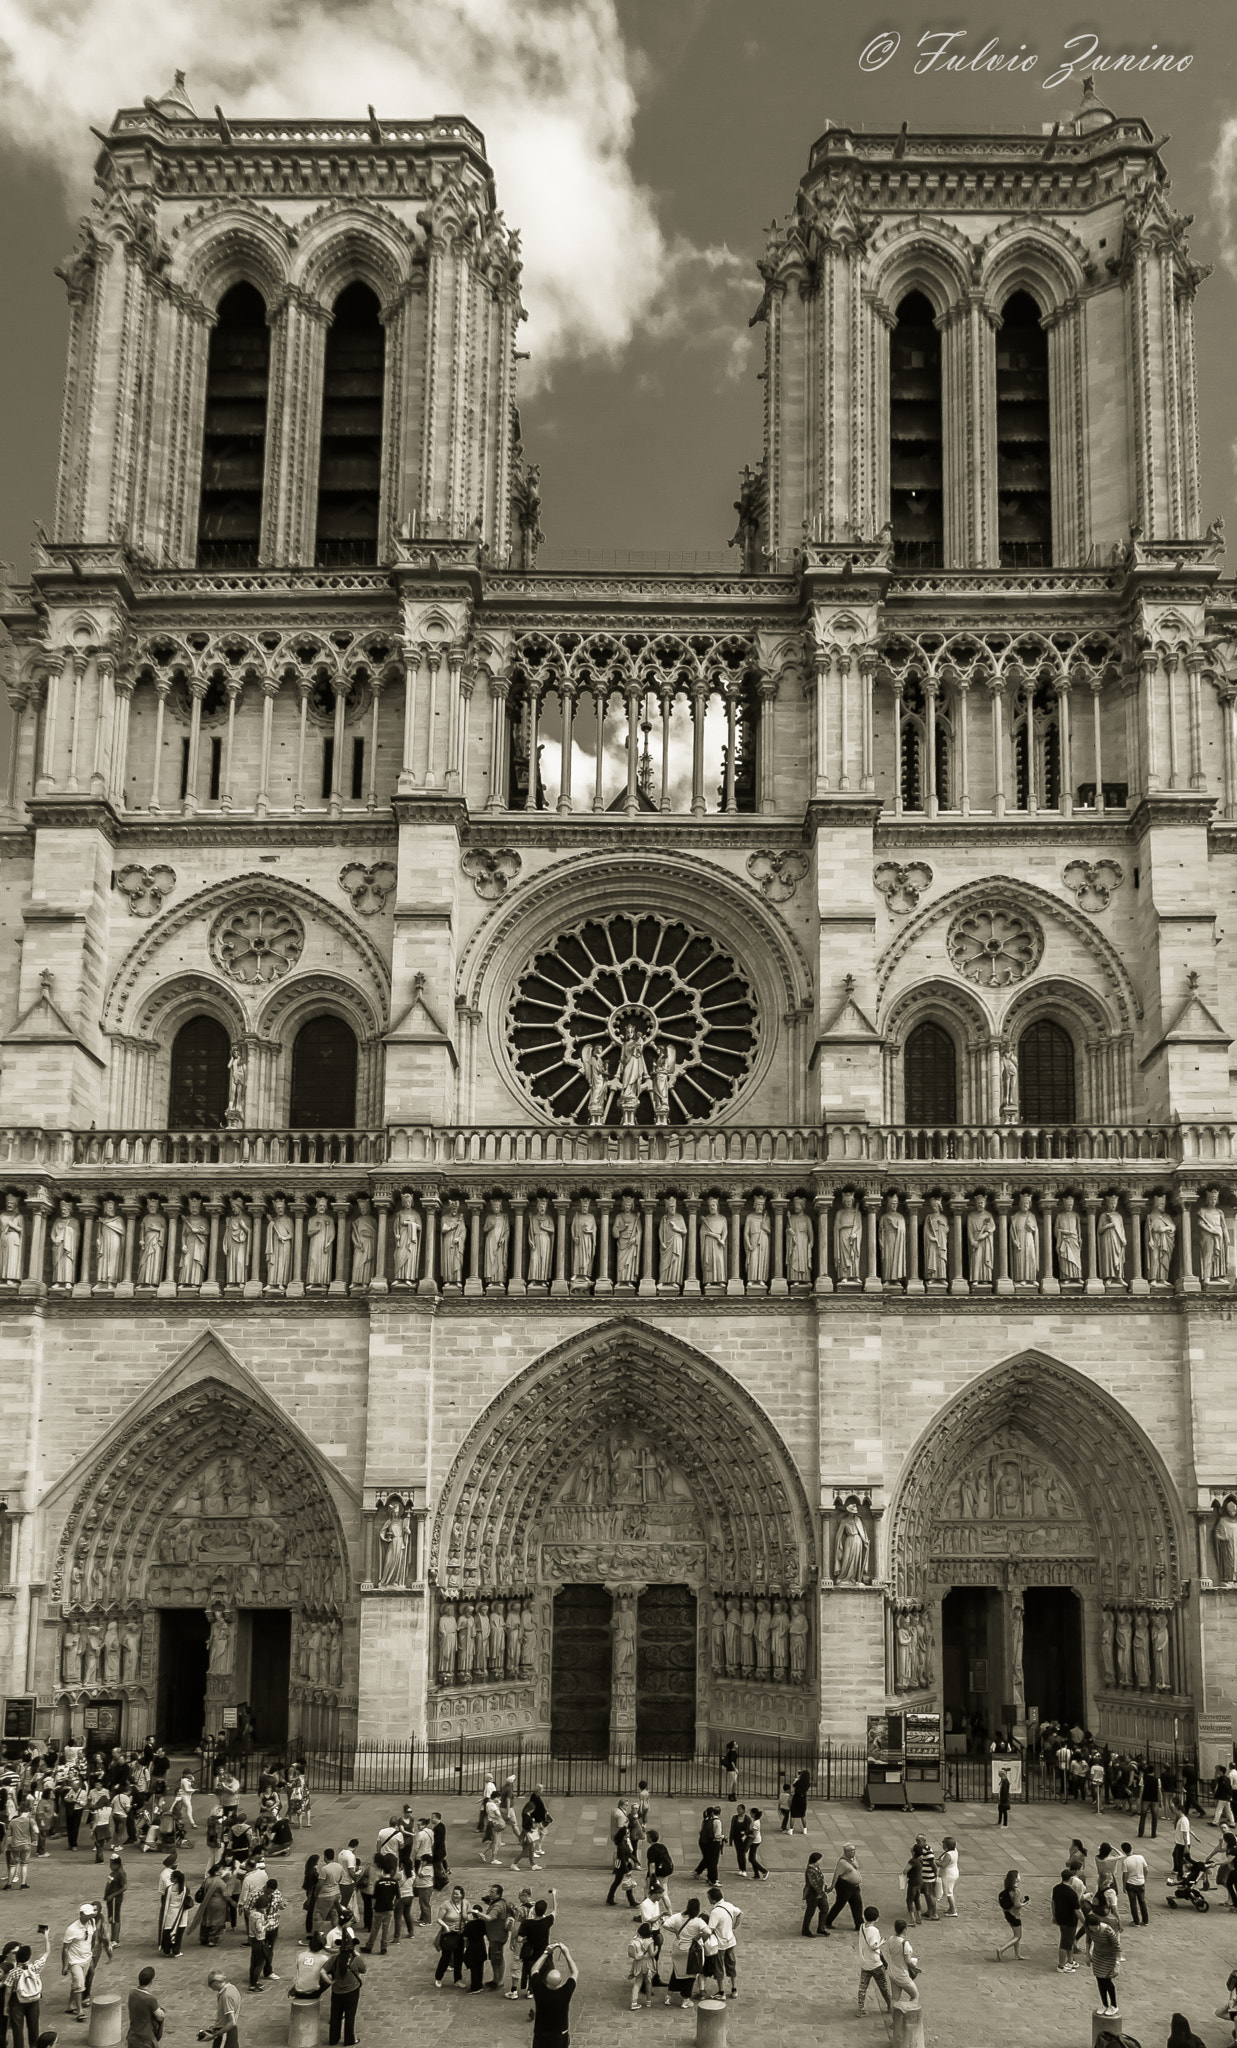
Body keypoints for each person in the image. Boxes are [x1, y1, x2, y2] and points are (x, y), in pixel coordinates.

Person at [528, 1942, 577, 2047]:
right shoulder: (565, 1992)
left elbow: (534, 1970)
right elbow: (575, 1972)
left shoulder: (540, 1990)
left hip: (541, 2036)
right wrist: (566, 1952)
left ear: (546, 1981)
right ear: (561, 1982)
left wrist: (547, 1952)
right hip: (559, 2036)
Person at [511, 1891, 555, 2001]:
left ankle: (514, 1990)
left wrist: (522, 1939)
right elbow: (555, 1911)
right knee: (539, 1972)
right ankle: (531, 1990)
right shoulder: (547, 1921)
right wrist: (554, 1895)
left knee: (523, 1968)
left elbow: (520, 1938)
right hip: (542, 1953)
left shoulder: (527, 1923)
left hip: (529, 1952)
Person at [323, 1934, 365, 2047]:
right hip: (352, 1991)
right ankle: (349, 2039)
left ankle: (333, 2039)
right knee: (350, 2016)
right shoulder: (356, 1960)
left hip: (337, 1991)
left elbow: (323, 1971)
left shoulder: (334, 1958)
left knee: (335, 2015)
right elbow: (363, 1970)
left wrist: (330, 1981)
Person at [11, 1937, 50, 2048]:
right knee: (34, 2028)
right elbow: (47, 1953)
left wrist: (5, 2006)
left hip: (18, 2000)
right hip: (33, 2000)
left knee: (17, 2030)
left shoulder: (14, 1971)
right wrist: (46, 1936)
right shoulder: (34, 1968)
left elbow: (9, 1990)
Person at [61, 1911, 96, 2023]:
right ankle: (80, 2012)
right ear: (81, 1914)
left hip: (86, 1958)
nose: (89, 1917)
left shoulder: (92, 1922)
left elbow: (92, 1936)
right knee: (80, 1984)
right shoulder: (72, 1929)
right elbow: (65, 1948)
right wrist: (65, 1965)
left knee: (77, 1983)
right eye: (87, 1915)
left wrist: (91, 1952)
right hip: (75, 1960)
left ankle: (71, 2005)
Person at [705, 1885, 740, 1998]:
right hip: (731, 1941)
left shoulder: (715, 1912)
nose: (708, 1899)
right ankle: (734, 1989)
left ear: (713, 1899)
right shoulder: (728, 1905)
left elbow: (709, 1930)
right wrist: (735, 1928)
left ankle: (721, 1992)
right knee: (731, 1965)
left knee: (719, 1968)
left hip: (720, 1945)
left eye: (709, 1897)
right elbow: (739, 1914)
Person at [856, 1905, 890, 2017]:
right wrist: (882, 1942)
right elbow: (874, 1946)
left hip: (865, 1962)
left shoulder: (862, 1927)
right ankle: (890, 2005)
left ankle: (860, 2008)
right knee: (883, 1986)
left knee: (863, 1986)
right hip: (875, 1963)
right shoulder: (874, 1930)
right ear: (877, 1918)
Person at [1087, 1910, 1121, 2014]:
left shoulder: (1107, 1930)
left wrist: (1117, 1963)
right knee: (1100, 1981)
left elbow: (1117, 1946)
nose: (1094, 1930)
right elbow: (1088, 1940)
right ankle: (1105, 2004)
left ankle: (1114, 2005)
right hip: (1098, 1956)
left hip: (1109, 1957)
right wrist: (1088, 1954)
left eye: (1096, 1927)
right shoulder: (1089, 1930)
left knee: (1107, 1981)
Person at [433, 1885, 467, 1987]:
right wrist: (446, 1926)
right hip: (449, 1934)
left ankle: (458, 1979)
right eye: (453, 1893)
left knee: (459, 1958)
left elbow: (466, 1917)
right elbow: (439, 1919)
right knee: (446, 1957)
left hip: (460, 1933)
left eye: (457, 1894)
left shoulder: (465, 1903)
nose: (455, 1896)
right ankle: (438, 1977)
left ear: (462, 1895)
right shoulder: (446, 1905)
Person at [824, 1845, 863, 1930]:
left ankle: (859, 1924)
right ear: (846, 1852)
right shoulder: (842, 1862)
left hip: (854, 1886)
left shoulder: (853, 1859)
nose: (854, 1852)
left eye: (854, 1849)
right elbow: (836, 1874)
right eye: (851, 1850)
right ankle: (827, 1921)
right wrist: (832, 1886)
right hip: (845, 1886)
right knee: (840, 1904)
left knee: (857, 1904)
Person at [1051, 1867, 1080, 1972]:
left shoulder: (1056, 1888)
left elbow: (1053, 1902)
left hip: (1060, 1918)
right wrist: (1086, 1921)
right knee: (1065, 1943)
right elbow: (1077, 1910)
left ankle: (1070, 1960)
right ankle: (1061, 1965)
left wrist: (1054, 1916)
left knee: (1069, 1940)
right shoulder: (1072, 1893)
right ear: (1071, 1879)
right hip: (1069, 1920)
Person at [125, 1966, 162, 2048]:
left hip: (133, 2035)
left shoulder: (132, 1994)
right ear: (151, 1981)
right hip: (145, 2039)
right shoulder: (150, 1999)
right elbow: (159, 2017)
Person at [204, 1970, 240, 2048]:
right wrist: (215, 2027)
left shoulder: (226, 1995)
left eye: (210, 1983)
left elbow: (231, 2022)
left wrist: (215, 2035)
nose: (209, 1986)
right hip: (229, 2031)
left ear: (216, 1982)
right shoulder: (232, 1988)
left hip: (225, 2034)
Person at [996, 1868, 1027, 1960]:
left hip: (1008, 1913)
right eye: (1019, 1876)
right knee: (1018, 1936)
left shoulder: (1008, 1889)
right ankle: (1002, 1949)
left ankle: (1017, 1954)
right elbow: (1017, 1905)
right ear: (1015, 1879)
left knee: (1016, 1934)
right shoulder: (1016, 1891)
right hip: (1014, 1915)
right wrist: (1024, 1904)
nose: (1020, 1877)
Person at [626, 1919, 656, 2011]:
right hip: (648, 1963)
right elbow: (651, 1953)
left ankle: (634, 2002)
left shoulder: (635, 1939)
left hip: (638, 1963)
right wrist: (657, 1949)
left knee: (637, 1983)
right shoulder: (649, 1940)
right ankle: (648, 2001)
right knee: (648, 1982)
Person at [159, 1872, 189, 1958]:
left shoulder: (169, 1889)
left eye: (172, 1877)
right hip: (181, 1914)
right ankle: (176, 1950)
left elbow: (166, 1901)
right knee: (179, 1933)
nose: (170, 1878)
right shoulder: (185, 1889)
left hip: (171, 1913)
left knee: (167, 1932)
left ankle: (167, 1950)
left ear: (176, 1879)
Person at [801, 1852, 829, 1937]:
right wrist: (821, 1892)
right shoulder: (810, 1871)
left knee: (825, 1909)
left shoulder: (816, 1868)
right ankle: (805, 1930)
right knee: (810, 1912)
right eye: (820, 1860)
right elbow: (813, 1884)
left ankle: (821, 1928)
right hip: (812, 1895)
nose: (821, 1861)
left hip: (820, 1894)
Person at [104, 1858, 127, 1945]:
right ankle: (113, 1938)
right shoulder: (113, 1873)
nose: (110, 1866)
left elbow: (124, 1887)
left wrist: (112, 1895)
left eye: (111, 1864)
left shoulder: (120, 1873)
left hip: (115, 1899)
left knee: (115, 1919)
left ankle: (115, 1940)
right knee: (112, 1918)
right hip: (110, 1900)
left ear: (116, 1864)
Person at [937, 1836, 960, 1917]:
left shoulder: (948, 1855)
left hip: (948, 1875)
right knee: (949, 1891)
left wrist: (935, 1862)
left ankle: (953, 1910)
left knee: (949, 1892)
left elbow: (943, 1864)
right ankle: (951, 1908)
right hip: (954, 1872)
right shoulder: (954, 1851)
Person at [1138, 1763, 1160, 1838]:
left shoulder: (1143, 1779)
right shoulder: (1157, 1780)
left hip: (1146, 1799)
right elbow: (1159, 1791)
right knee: (1154, 1817)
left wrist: (1139, 1798)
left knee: (1143, 1816)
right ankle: (1153, 1834)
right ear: (1153, 1771)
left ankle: (1140, 1833)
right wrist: (1160, 1800)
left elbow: (1141, 1790)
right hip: (1154, 1800)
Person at [727, 1805, 749, 1877]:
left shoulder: (747, 1818)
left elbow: (749, 1829)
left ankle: (744, 1869)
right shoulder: (734, 1818)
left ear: (743, 1810)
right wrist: (730, 1840)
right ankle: (740, 1868)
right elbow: (732, 1828)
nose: (738, 1811)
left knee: (742, 1854)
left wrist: (745, 1834)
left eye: (740, 1809)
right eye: (737, 1809)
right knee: (738, 1854)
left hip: (744, 1839)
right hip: (736, 1838)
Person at [788, 1770, 811, 1836]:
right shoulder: (807, 1784)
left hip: (796, 1799)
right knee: (803, 1815)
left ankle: (791, 1830)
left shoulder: (798, 1782)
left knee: (793, 1814)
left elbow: (794, 1785)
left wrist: (797, 1779)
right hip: (803, 1799)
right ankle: (805, 1829)